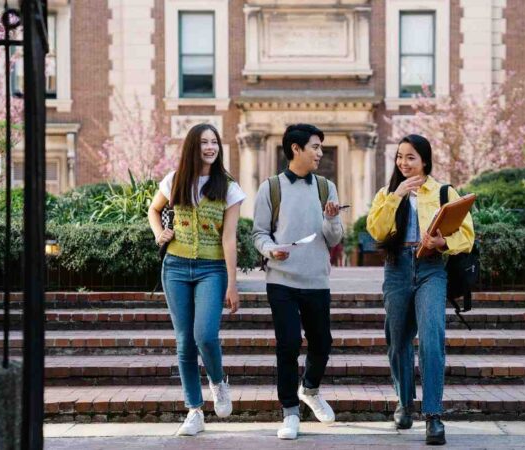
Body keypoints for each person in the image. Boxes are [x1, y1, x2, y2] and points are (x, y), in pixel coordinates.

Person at [366, 134, 474, 446]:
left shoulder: (443, 191)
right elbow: (377, 230)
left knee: (431, 338)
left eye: (410, 157)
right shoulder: (387, 193)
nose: (403, 163)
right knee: (398, 341)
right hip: (397, 268)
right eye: (400, 157)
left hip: (432, 268)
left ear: (424, 160)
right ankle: (404, 402)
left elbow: (467, 236)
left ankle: (434, 416)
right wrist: (396, 196)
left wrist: (443, 243)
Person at [147, 123, 245, 437]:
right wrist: (159, 234)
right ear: (193, 146)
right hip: (175, 267)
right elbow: (153, 209)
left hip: (211, 269)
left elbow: (229, 239)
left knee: (204, 335)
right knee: (184, 341)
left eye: (214, 142)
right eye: (203, 142)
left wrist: (232, 282)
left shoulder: (229, 187)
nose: (210, 147)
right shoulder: (174, 180)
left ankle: (218, 382)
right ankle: (194, 410)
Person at [252, 123, 344, 440]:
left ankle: (311, 389)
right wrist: (268, 248)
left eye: (320, 147)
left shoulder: (325, 187)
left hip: (317, 280)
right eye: (315, 146)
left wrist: (331, 217)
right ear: (296, 149)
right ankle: (290, 411)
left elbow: (334, 238)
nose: (320, 152)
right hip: (282, 282)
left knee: (322, 343)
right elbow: (259, 233)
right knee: (288, 344)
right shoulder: (271, 188)